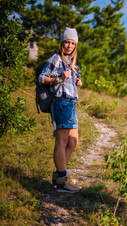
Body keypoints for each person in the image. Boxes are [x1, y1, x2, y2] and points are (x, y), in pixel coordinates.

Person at [39, 27, 82, 193]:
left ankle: (59, 175)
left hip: (71, 104)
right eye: (67, 42)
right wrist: (58, 79)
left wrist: (78, 81)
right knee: (62, 142)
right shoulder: (56, 58)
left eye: (72, 43)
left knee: (73, 142)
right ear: (62, 43)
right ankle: (62, 181)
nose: (69, 46)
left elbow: (74, 79)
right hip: (61, 103)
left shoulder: (72, 64)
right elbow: (42, 78)